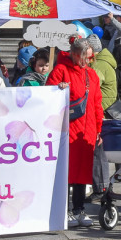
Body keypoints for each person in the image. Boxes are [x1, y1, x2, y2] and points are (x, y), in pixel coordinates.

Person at [48, 37, 103, 227]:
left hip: (86, 131)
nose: (88, 61)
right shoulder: (61, 70)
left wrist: (98, 130)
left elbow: (97, 103)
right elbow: (48, 95)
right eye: (85, 57)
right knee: (66, 172)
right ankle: (63, 211)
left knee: (82, 174)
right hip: (67, 128)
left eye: (89, 58)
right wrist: (58, 89)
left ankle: (79, 210)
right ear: (75, 54)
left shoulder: (92, 75)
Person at [88, 34, 118, 114]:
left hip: (103, 104)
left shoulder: (98, 65)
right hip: (108, 100)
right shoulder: (104, 59)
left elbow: (91, 86)